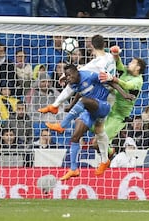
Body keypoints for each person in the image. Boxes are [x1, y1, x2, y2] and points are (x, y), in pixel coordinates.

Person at [39, 35, 121, 176]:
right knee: (97, 130)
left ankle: (57, 111)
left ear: (92, 47)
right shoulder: (109, 57)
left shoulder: (97, 62)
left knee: (97, 127)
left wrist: (66, 76)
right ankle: (101, 160)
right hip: (107, 96)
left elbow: (88, 70)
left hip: (103, 97)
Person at [40, 64, 111, 180]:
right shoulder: (77, 82)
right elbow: (80, 91)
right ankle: (73, 169)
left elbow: (111, 81)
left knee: (98, 127)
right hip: (89, 110)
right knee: (75, 137)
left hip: (102, 105)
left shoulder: (94, 71)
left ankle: (62, 125)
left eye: (69, 75)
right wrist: (71, 105)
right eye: (67, 76)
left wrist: (124, 93)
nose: (68, 78)